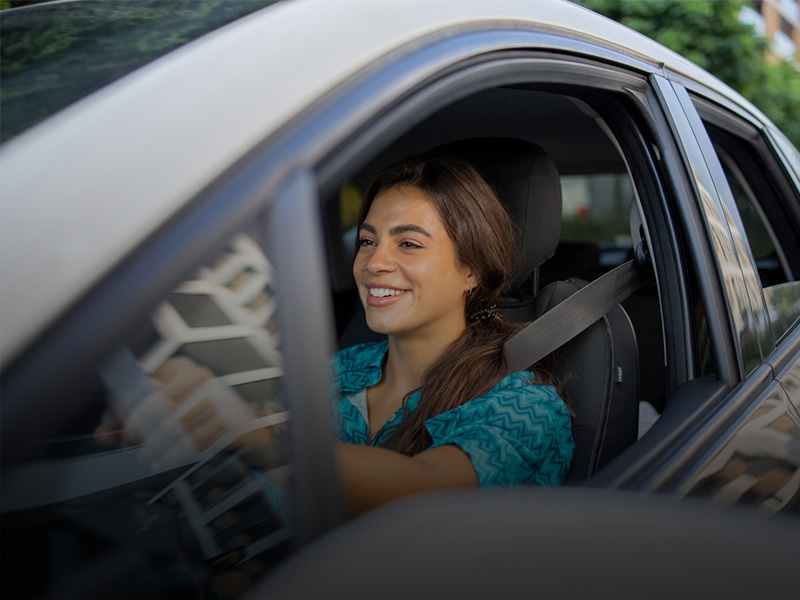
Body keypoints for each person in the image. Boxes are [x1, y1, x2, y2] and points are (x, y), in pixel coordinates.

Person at [333, 156, 574, 515]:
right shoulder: (338, 368)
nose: (373, 263)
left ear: (472, 270)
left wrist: (275, 445)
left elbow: (426, 491)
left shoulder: (525, 406)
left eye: (409, 244)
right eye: (367, 241)